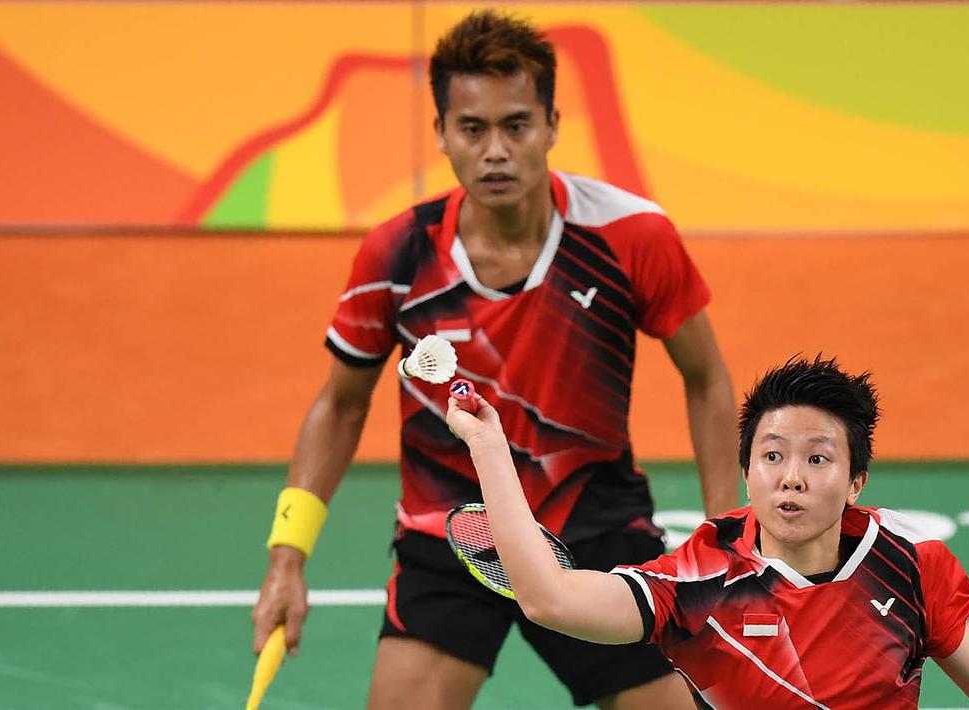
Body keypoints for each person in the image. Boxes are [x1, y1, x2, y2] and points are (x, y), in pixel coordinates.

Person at [250, 9, 739, 710]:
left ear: (551, 126)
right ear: (443, 134)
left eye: (516, 125)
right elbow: (340, 402)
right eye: (472, 129)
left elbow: (707, 378)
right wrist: (286, 559)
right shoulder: (397, 254)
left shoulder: (629, 235)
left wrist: (725, 540)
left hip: (593, 531)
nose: (496, 151)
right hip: (451, 537)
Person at [446, 355, 969, 709]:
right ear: (747, 472)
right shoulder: (699, 578)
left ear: (855, 481)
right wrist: (488, 445)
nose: (791, 479)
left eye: (818, 459)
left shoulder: (911, 566)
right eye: (772, 457)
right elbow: (549, 598)